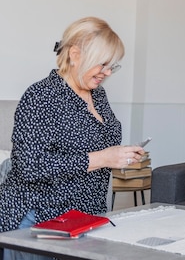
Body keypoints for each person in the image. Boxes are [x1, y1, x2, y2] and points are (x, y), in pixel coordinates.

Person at [0, 17, 144, 260]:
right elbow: (28, 166)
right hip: (39, 218)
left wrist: (120, 155)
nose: (108, 73)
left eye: (113, 66)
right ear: (75, 54)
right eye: (103, 64)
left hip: (86, 216)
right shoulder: (41, 96)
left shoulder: (98, 95)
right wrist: (101, 158)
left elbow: (96, 143)